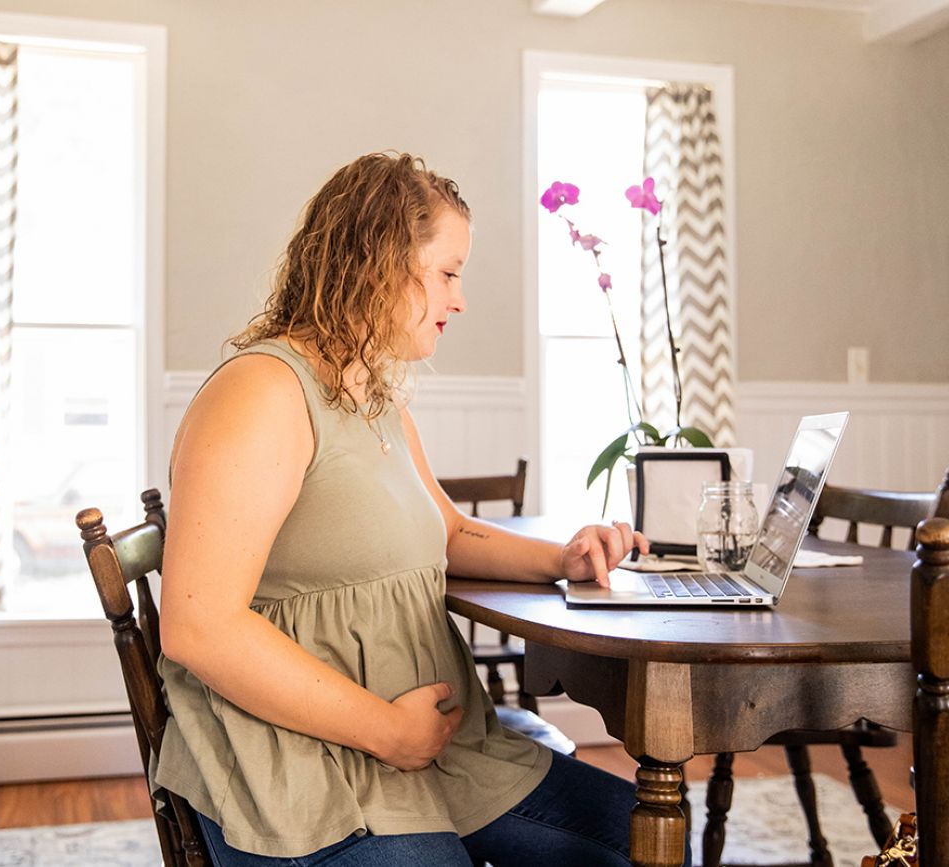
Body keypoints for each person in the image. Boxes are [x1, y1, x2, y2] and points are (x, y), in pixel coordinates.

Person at [157, 152, 663, 867]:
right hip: (300, 762)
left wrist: (562, 558)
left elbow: (448, 530)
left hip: (435, 746)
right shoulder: (262, 393)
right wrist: (386, 731)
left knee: (644, 837)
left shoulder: (375, 394)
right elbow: (198, 626)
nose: (459, 299)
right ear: (378, 261)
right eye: (448, 272)